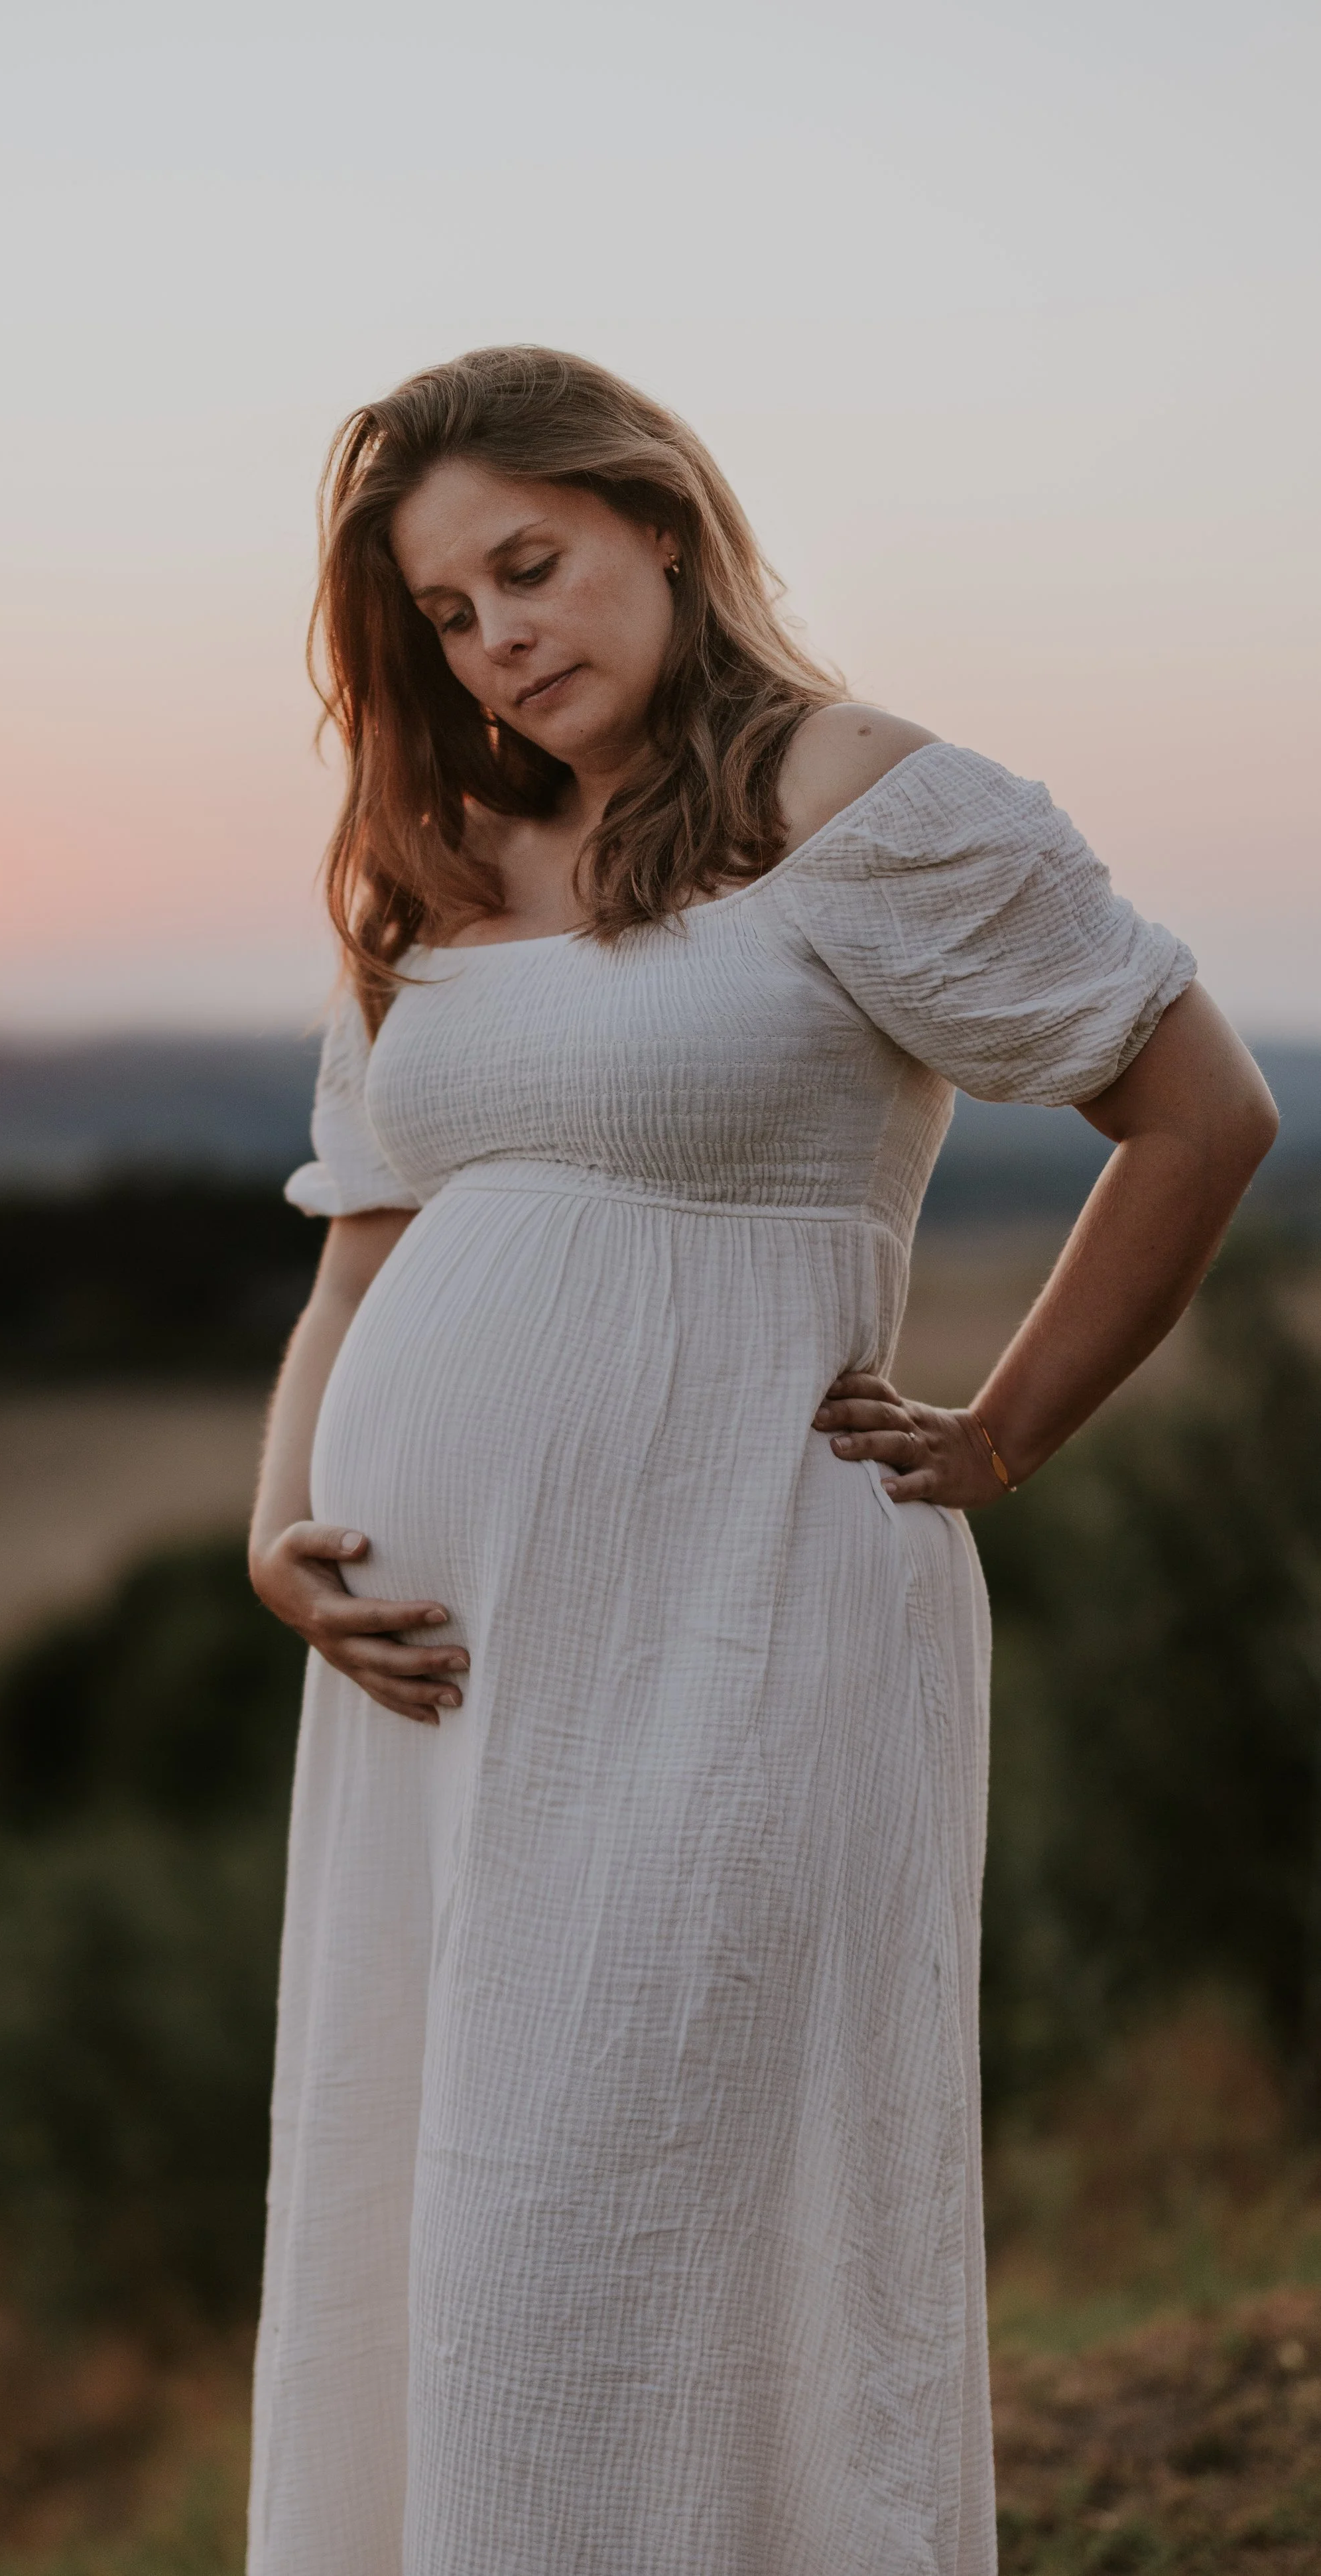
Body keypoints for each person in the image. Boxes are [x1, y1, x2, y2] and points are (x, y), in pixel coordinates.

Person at [245, 346, 1277, 2576]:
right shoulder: (426, 866)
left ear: (661, 528)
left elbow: (1198, 1112)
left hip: (736, 1622)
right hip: (440, 1682)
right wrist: (274, 1530)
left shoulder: (858, 798)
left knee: (623, 2210)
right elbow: (358, 1258)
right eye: (444, 610)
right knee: (429, 2213)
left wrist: (1003, 1426)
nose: (498, 635)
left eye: (528, 564)